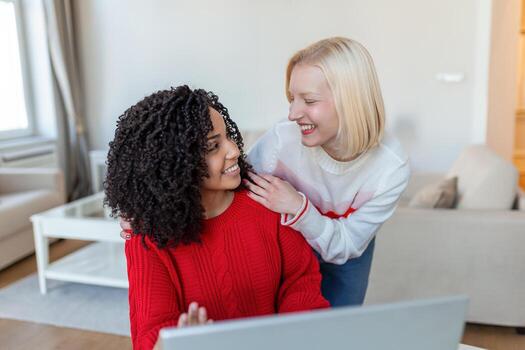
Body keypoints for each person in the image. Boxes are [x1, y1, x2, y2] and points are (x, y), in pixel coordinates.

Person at [104, 85, 329, 350]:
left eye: (226, 137)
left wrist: (293, 337)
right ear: (176, 164)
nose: (233, 150)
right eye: (213, 146)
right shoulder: (147, 239)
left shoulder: (268, 199)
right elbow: (149, 333)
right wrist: (179, 342)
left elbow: (300, 281)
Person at [244, 37, 410, 307]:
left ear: (351, 102)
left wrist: (299, 207)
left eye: (308, 100)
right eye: (292, 98)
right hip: (289, 245)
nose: (292, 113)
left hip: (346, 251)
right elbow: (237, 200)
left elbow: (346, 244)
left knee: (339, 332)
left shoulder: (390, 167)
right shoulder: (281, 141)